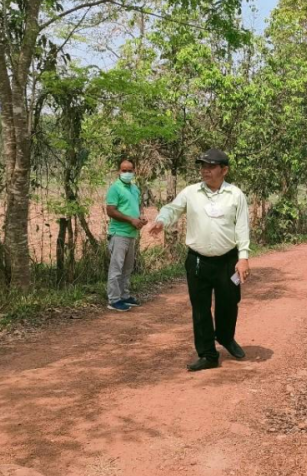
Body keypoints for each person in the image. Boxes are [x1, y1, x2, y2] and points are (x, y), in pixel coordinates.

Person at [147, 149, 251, 371]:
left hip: (227, 261)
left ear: (224, 170)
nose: (205, 170)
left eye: (211, 166)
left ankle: (225, 337)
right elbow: (172, 209)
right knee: (200, 307)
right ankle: (207, 354)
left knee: (229, 303)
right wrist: (161, 220)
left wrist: (243, 258)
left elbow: (242, 228)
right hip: (197, 261)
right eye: (202, 166)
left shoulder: (235, 195)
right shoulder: (191, 192)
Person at [105, 158, 145, 312]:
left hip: (131, 233)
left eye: (130, 170)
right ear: (119, 172)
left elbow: (135, 207)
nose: (127, 173)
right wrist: (130, 219)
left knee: (127, 268)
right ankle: (113, 299)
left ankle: (124, 296)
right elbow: (110, 210)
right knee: (116, 268)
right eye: (124, 170)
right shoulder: (115, 188)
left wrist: (140, 218)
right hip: (119, 233)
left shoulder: (135, 189)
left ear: (134, 171)